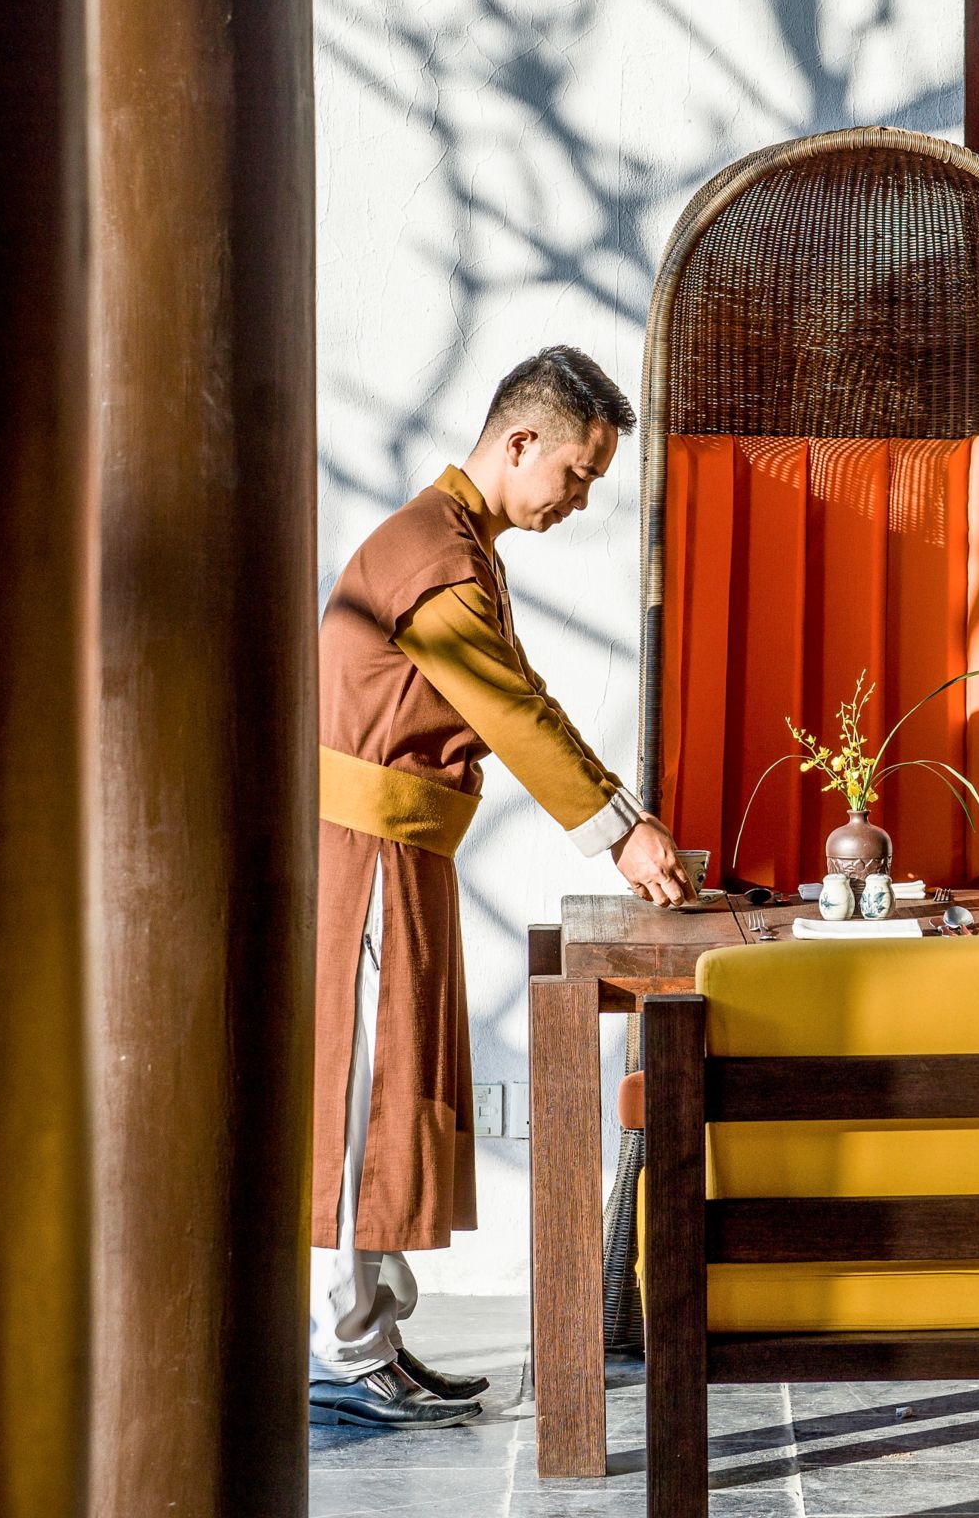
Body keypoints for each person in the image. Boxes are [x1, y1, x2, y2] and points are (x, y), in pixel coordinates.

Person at [308, 346, 689, 1430]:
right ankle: (345, 1353)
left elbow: (524, 695)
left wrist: (622, 813)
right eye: (578, 473)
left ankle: (372, 1338)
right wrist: (621, 833)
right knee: (364, 1096)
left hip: (399, 852)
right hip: (367, 856)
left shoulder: (454, 542)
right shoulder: (434, 555)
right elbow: (515, 715)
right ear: (521, 442)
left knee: (393, 1090)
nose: (581, 500)